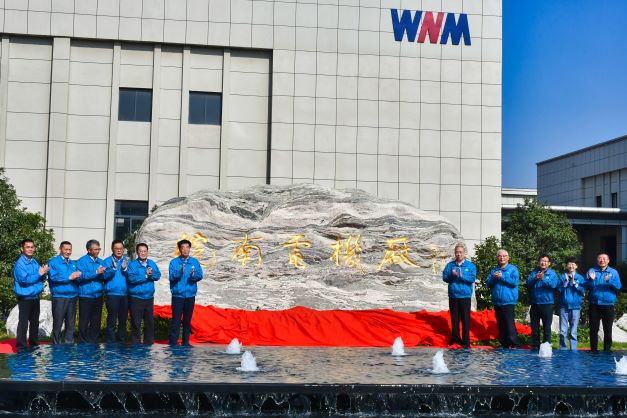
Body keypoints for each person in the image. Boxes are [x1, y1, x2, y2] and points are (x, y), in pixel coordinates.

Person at [13, 239, 48, 349]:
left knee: (34, 322)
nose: (30, 249)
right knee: (23, 323)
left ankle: (34, 344)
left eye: (32, 247)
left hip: (35, 296)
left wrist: (44, 272)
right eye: (27, 247)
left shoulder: (34, 261)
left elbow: (40, 277)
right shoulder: (20, 263)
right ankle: (21, 346)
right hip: (25, 297)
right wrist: (39, 274)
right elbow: (24, 280)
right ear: (22, 249)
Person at [168, 239, 204, 346]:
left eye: (187, 247)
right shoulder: (174, 262)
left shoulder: (194, 262)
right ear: (179, 249)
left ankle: (185, 344)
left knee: (187, 322)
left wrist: (193, 275)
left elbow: (200, 275)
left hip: (190, 296)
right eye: (183, 247)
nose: (185, 250)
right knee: (176, 321)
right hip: (178, 296)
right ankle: (173, 344)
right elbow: (171, 277)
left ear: (190, 249)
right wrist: (179, 272)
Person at [442, 243, 476, 348]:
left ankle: (466, 341)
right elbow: (445, 278)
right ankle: (455, 340)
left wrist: (462, 276)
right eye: (457, 252)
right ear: (454, 253)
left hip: (465, 297)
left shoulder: (470, 266)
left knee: (465, 319)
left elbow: (472, 279)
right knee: (454, 319)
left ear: (464, 253)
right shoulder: (450, 265)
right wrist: (452, 276)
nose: (459, 254)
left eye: (460, 252)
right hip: (453, 296)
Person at [585, 252, 622, 351]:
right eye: (600, 258)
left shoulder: (613, 272)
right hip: (594, 304)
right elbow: (585, 286)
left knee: (608, 330)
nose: (602, 260)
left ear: (608, 261)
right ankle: (593, 351)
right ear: (597, 260)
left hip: (608, 305)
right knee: (593, 330)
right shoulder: (592, 271)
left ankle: (607, 351)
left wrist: (609, 281)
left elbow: (618, 286)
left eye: (604, 258)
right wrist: (591, 280)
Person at [127, 243, 161, 344]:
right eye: (141, 251)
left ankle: (148, 344)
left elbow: (158, 275)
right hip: (136, 298)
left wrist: (151, 275)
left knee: (149, 323)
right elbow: (131, 278)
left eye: (145, 251)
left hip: (149, 298)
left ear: (147, 252)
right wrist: (145, 275)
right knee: (136, 323)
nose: (143, 253)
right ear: (137, 252)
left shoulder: (151, 263)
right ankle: (136, 345)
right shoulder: (132, 265)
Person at [48, 241, 81, 344]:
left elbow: (77, 278)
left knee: (70, 324)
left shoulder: (73, 263)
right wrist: (69, 277)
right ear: (60, 249)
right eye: (66, 249)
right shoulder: (53, 262)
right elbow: (53, 277)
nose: (68, 252)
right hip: (59, 297)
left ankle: (68, 345)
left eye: (70, 249)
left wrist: (78, 276)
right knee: (58, 323)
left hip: (72, 297)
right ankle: (56, 345)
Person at [486, 249, 520, 348]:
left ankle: (514, 345)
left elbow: (514, 282)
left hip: (508, 301)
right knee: (501, 325)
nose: (502, 258)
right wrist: (494, 277)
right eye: (500, 256)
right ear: (497, 258)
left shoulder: (513, 269)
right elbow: (488, 283)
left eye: (504, 256)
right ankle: (504, 345)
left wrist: (502, 277)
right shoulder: (494, 270)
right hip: (497, 301)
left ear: (508, 258)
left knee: (509, 324)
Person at [526, 254, 558, 349]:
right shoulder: (534, 272)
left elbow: (553, 285)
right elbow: (528, 284)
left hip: (547, 304)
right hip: (535, 304)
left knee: (546, 328)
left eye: (545, 261)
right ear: (539, 262)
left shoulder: (552, 274)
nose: (543, 263)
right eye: (541, 261)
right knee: (534, 328)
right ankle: (535, 346)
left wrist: (543, 279)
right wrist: (535, 278)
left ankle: (546, 346)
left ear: (549, 263)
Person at [77, 239, 106, 344]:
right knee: (84, 320)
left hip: (98, 295)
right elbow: (80, 277)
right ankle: (83, 343)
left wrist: (111, 270)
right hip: (86, 295)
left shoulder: (101, 261)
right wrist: (96, 272)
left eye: (99, 249)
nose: (97, 251)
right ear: (89, 250)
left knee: (96, 321)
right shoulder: (81, 261)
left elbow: (104, 277)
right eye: (95, 249)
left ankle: (94, 342)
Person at [102, 240, 129, 343]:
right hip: (112, 295)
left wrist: (125, 269)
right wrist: (113, 269)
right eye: (116, 248)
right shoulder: (107, 261)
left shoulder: (127, 261)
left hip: (125, 295)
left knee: (123, 320)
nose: (119, 250)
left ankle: (121, 342)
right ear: (112, 249)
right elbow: (103, 276)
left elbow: (132, 276)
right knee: (112, 320)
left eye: (121, 248)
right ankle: (110, 343)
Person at [557, 257, 585, 350]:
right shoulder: (562, 277)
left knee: (573, 331)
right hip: (563, 306)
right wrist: (566, 282)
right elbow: (558, 290)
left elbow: (583, 291)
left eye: (573, 264)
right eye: (569, 264)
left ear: (576, 266)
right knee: (563, 330)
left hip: (575, 307)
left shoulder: (580, 278)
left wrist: (575, 284)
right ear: (566, 266)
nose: (571, 266)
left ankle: (573, 350)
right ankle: (563, 349)